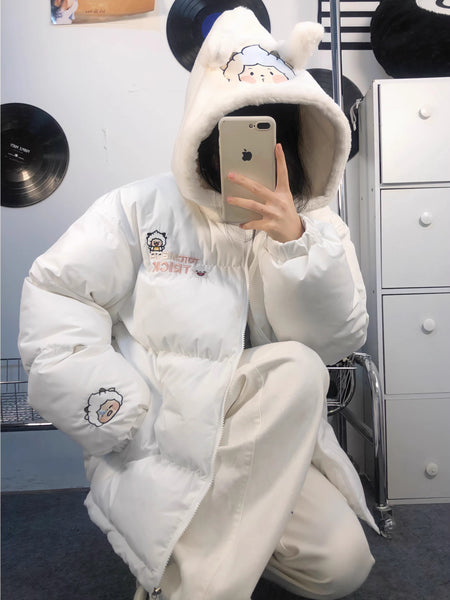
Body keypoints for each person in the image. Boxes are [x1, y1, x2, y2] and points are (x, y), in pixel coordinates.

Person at [19, 8, 377, 600]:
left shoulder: (316, 228)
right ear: (203, 129)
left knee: (340, 566)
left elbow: (333, 342)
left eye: (274, 131)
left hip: (263, 440)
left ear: (297, 139)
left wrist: (294, 245)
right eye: (233, 130)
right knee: (295, 370)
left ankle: (198, 555)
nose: (253, 149)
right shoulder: (138, 209)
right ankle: (204, 582)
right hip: (165, 429)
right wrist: (118, 413)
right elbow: (57, 292)